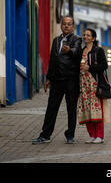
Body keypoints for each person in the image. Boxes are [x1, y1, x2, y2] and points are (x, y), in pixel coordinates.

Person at [32, 15, 82, 144]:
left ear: (73, 27)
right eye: (64, 23)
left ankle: (70, 135)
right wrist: (48, 78)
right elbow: (52, 60)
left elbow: (77, 52)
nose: (66, 26)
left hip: (71, 80)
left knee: (71, 109)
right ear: (61, 26)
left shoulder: (76, 40)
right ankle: (45, 135)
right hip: (57, 80)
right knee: (51, 108)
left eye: (69, 24)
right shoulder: (56, 40)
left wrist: (70, 50)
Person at [78, 28, 110, 143]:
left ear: (93, 38)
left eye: (88, 35)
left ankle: (99, 136)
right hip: (83, 85)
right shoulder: (81, 51)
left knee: (97, 110)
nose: (85, 37)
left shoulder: (98, 51)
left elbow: (104, 66)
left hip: (94, 84)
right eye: (84, 35)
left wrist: (89, 68)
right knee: (87, 110)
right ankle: (92, 135)